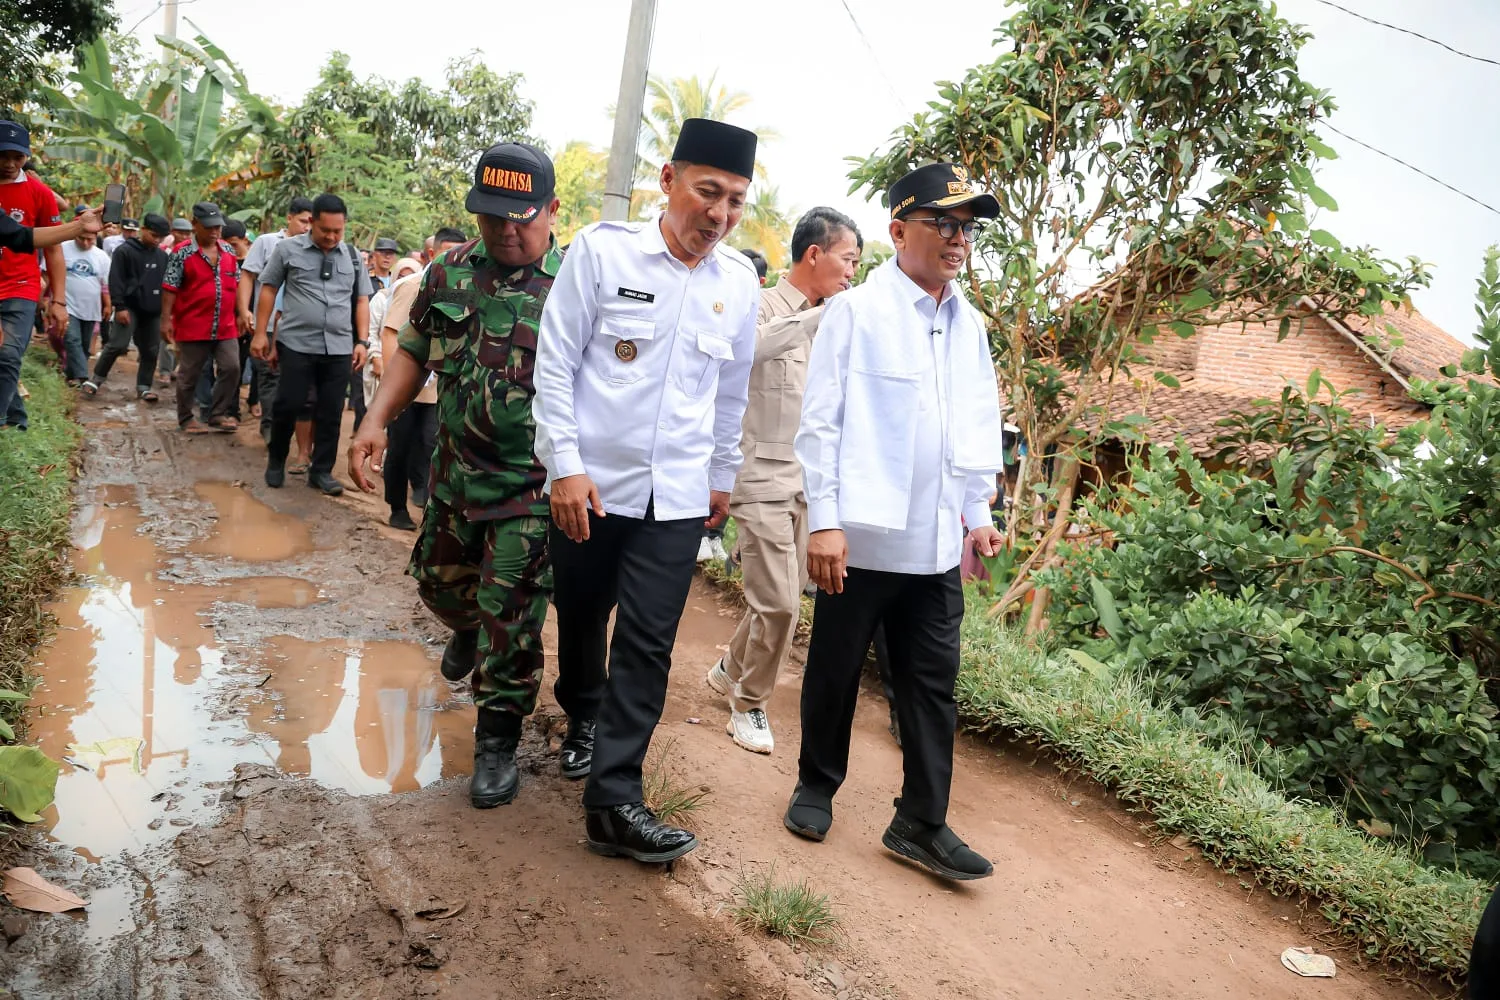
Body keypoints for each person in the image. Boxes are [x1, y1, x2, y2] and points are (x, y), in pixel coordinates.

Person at [534, 118, 760, 864]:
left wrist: (721, 477)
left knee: (648, 643)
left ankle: (614, 799)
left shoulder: (739, 283)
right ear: (668, 181)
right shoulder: (603, 253)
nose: (719, 215)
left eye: (734, 201)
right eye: (707, 193)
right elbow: (557, 365)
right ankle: (581, 713)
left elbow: (730, 395)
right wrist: (563, 465)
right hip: (591, 489)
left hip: (678, 498)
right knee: (582, 618)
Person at [350, 143, 599, 810]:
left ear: (552, 209)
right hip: (455, 478)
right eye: (492, 219)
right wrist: (376, 419)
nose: (507, 232)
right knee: (437, 585)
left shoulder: (579, 284)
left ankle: (496, 742)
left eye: (521, 218)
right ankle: (462, 628)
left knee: (510, 616)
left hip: (532, 486)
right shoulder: (449, 273)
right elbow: (415, 350)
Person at [784, 162, 1007, 883]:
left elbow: (975, 426)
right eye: (943, 222)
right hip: (863, 537)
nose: (957, 239)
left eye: (966, 226)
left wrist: (978, 515)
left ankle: (921, 819)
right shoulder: (858, 313)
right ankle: (817, 784)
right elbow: (820, 424)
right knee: (837, 670)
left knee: (931, 684)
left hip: (937, 543)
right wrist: (826, 521)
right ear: (898, 229)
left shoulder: (968, 325)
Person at [705, 207, 862, 755]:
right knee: (780, 604)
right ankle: (748, 704)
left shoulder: (837, 325)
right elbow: (747, 351)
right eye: (848, 260)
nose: (852, 274)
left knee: (780, 597)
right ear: (814, 254)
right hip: (757, 476)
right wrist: (821, 317)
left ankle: (729, 668)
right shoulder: (759, 302)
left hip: (807, 483)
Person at [252, 192, 372, 497]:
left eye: (338, 231)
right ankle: (277, 460)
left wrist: (361, 340)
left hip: (339, 347)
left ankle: (321, 472)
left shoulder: (353, 256)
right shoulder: (287, 250)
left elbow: (360, 300)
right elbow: (268, 289)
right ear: (312, 223)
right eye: (325, 230)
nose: (331, 236)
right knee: (288, 404)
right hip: (297, 343)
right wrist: (261, 333)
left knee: (331, 411)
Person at [372, 226, 467, 528]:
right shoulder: (413, 285)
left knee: (430, 444)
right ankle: (396, 507)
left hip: (437, 388)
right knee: (399, 447)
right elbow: (390, 335)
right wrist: (393, 387)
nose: (454, 258)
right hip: (406, 384)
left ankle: (426, 503)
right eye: (446, 250)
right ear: (431, 253)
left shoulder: (460, 290)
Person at [0, 121, 67, 431]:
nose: (11, 164)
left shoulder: (38, 192)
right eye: (3, 156)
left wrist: (59, 300)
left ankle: (4, 425)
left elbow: (53, 249)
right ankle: (16, 418)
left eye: (18, 156)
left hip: (21, 285)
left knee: (8, 354)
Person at [239, 196, 314, 444]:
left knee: (290, 378)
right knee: (269, 375)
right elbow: (248, 277)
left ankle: (286, 425)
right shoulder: (266, 242)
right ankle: (270, 427)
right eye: (303, 221)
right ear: (289, 218)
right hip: (268, 323)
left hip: (297, 327)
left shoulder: (314, 249)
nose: (307, 227)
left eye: (311, 223)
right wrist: (244, 310)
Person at [161, 202, 241, 433]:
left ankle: (216, 413)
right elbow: (169, 287)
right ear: (195, 224)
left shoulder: (229, 251)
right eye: (209, 227)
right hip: (193, 323)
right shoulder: (182, 252)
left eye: (218, 226)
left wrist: (241, 314)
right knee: (189, 374)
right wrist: (166, 319)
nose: (214, 231)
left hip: (225, 325)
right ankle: (186, 418)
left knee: (232, 366)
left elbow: (235, 285)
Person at [88, 213, 168, 401]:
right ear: (144, 230)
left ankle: (144, 386)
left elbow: (166, 284)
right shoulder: (125, 251)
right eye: (153, 235)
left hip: (153, 309)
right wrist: (120, 306)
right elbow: (115, 280)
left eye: (160, 237)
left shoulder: (163, 256)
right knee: (117, 344)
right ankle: (96, 379)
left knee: (151, 349)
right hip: (129, 306)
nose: (156, 240)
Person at [59, 226, 112, 385]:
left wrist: (108, 305)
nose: (85, 243)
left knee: (84, 344)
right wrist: (50, 300)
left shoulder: (101, 257)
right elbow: (50, 273)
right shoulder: (62, 248)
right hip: (67, 304)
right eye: (81, 238)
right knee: (71, 339)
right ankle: (83, 377)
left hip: (90, 307)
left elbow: (105, 284)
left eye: (90, 239)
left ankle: (70, 374)